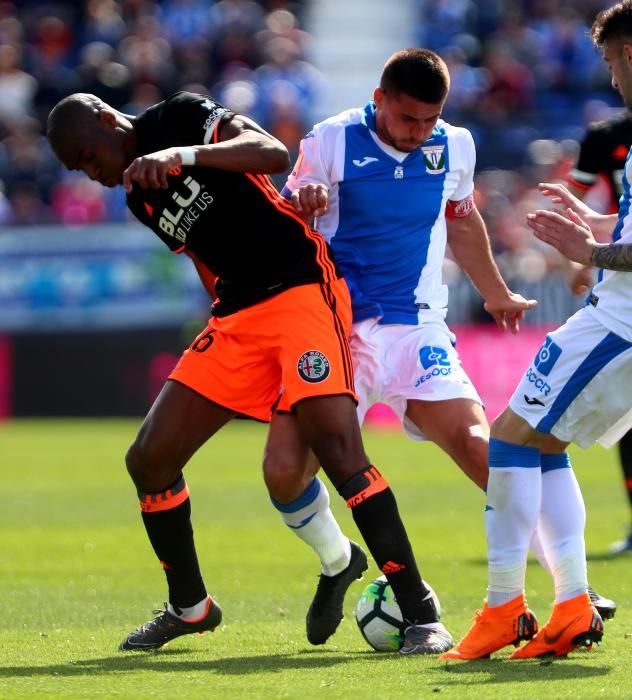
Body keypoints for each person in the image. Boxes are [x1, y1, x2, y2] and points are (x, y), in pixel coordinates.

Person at [46, 90, 451, 655]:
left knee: (336, 448)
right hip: (237, 315)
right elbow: (205, 258)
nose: (92, 173)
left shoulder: (180, 115)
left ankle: (421, 612)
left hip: (300, 287)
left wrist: (183, 156)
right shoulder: (140, 196)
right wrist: (218, 327)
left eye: (90, 155)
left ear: (110, 120)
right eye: (79, 169)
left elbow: (271, 153)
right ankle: (191, 608)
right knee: (149, 457)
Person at [256, 47, 615, 650]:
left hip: (417, 327)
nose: (419, 133)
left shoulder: (454, 145)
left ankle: (571, 592)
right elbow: (290, 213)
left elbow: (462, 219)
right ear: (380, 101)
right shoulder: (330, 140)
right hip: (335, 328)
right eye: (407, 120)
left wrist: (497, 293)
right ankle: (337, 557)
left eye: (430, 120)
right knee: (284, 471)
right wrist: (304, 203)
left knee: (485, 446)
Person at [443, 1, 632, 661]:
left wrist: (589, 253)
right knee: (542, 445)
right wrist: (596, 226)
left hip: (623, 322)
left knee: (509, 439)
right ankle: (573, 606)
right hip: (614, 315)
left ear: (630, 55)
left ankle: (502, 607)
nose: (611, 78)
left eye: (612, 62)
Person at [567, 109, 632, 555]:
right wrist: (581, 258)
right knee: (627, 423)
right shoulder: (605, 136)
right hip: (621, 279)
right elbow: (577, 196)